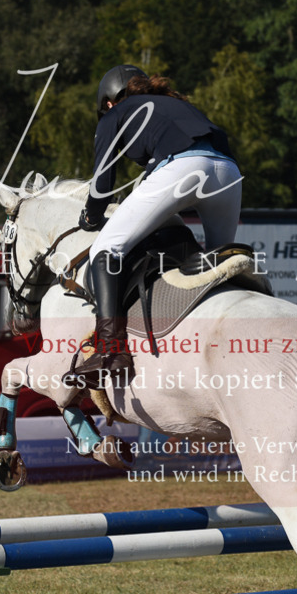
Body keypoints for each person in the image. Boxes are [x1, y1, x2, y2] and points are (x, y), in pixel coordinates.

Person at [71, 64, 242, 382]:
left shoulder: (114, 115)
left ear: (109, 102)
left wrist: (91, 216)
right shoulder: (178, 105)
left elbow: (103, 182)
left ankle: (111, 350)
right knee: (219, 264)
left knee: (106, 249)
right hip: (229, 173)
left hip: (183, 169)